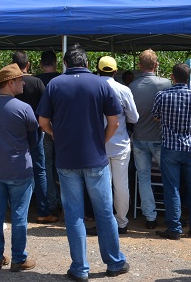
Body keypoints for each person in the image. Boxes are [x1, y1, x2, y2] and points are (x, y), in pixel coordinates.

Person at [37, 44, 129, 280]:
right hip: (95, 157)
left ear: (65, 64)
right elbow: (114, 122)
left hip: (67, 158)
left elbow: (43, 121)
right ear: (87, 64)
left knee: (74, 214)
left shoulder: (54, 84)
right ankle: (114, 262)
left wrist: (57, 135)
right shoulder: (101, 84)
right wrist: (101, 140)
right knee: (105, 212)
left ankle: (80, 268)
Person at [0, 63, 39, 272]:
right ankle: (18, 258)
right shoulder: (24, 108)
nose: (24, 82)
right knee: (19, 216)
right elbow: (34, 139)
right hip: (20, 169)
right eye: (21, 80)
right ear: (11, 83)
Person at [152, 63, 191, 240]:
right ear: (189, 77)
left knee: (172, 188)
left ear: (172, 77)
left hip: (170, 146)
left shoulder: (162, 96)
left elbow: (156, 116)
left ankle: (174, 228)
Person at [129, 48, 171, 229]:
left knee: (144, 178)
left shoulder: (132, 87)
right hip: (161, 138)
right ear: (156, 65)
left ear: (139, 66)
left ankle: (150, 217)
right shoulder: (166, 84)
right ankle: (172, 215)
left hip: (139, 138)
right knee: (169, 177)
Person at [97, 56, 139, 235]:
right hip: (120, 143)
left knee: (102, 185)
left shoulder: (93, 88)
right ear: (115, 72)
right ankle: (122, 223)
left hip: (99, 144)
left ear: (98, 70)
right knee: (121, 185)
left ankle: (104, 223)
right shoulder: (123, 90)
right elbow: (134, 118)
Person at [14, 50, 55, 224]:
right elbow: (48, 107)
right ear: (28, 64)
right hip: (37, 131)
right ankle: (43, 210)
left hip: (15, 133)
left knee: (17, 169)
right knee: (41, 170)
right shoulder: (37, 82)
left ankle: (17, 207)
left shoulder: (10, 83)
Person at [35, 49, 61, 218]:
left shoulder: (35, 81)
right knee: (65, 167)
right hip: (61, 128)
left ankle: (51, 202)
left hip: (43, 127)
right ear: (56, 63)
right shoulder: (62, 80)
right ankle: (64, 203)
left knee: (46, 167)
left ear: (40, 63)